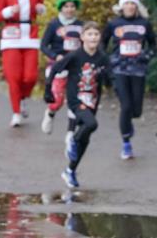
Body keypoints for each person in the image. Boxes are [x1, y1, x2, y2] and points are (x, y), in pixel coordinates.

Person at [45, 21, 109, 189]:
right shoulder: (75, 56)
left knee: (85, 140)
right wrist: (48, 90)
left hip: (93, 100)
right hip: (76, 100)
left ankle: (70, 170)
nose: (93, 37)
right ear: (82, 37)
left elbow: (108, 76)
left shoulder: (102, 57)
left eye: (96, 34)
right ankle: (73, 139)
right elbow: (55, 69)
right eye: (89, 34)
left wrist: (112, 81)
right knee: (91, 124)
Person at [103, 0, 156, 159]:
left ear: (136, 6)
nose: (130, 7)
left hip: (138, 70)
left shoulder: (144, 23)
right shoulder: (113, 23)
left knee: (137, 111)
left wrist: (146, 56)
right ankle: (126, 143)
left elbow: (153, 45)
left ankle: (128, 123)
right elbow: (102, 45)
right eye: (126, 4)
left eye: (132, 4)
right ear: (121, 6)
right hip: (120, 69)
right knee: (125, 106)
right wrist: (109, 61)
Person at [0, 0, 46, 127]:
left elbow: (41, 7)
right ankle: (16, 113)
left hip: (29, 35)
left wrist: (40, 9)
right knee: (13, 77)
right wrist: (8, 11)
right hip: (11, 35)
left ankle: (23, 97)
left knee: (30, 76)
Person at [40, 0, 84, 134]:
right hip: (57, 67)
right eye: (66, 6)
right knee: (57, 101)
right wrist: (55, 56)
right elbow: (44, 45)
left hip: (75, 68)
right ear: (61, 8)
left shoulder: (81, 25)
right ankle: (50, 113)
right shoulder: (53, 25)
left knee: (75, 100)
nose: (70, 9)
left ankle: (70, 133)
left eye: (72, 6)